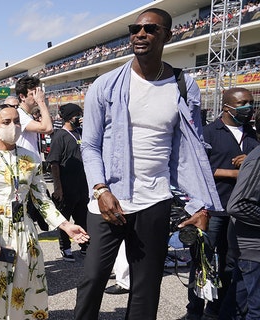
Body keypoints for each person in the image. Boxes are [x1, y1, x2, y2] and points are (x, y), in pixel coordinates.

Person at [74, 8, 222, 319]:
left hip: (154, 200)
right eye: (136, 28)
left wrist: (198, 203)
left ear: (168, 35)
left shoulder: (184, 86)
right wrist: (100, 189)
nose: (141, 34)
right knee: (92, 280)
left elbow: (188, 151)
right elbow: (89, 144)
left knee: (146, 286)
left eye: (151, 29)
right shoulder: (105, 84)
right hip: (108, 200)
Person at [0, 104, 88, 319]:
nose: (14, 127)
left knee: (23, 290)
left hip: (24, 234)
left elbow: (41, 200)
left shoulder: (31, 158)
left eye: (17, 121)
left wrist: (66, 225)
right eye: (6, 122)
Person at [186, 87, 259, 319]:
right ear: (227, 106)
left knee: (231, 266)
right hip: (213, 210)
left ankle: (217, 310)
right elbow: (197, 169)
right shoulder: (207, 133)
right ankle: (194, 311)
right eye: (243, 104)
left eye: (251, 103)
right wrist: (235, 173)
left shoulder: (253, 135)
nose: (249, 108)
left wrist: (251, 161)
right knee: (202, 264)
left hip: (241, 214)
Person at [46, 103, 89, 262]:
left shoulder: (80, 132)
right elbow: (54, 163)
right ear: (69, 117)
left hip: (82, 185)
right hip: (66, 185)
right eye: (77, 115)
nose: (79, 117)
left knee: (83, 217)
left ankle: (84, 245)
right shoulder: (60, 136)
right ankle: (66, 248)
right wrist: (58, 188)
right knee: (65, 218)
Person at [14, 77, 53, 232]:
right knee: (22, 218)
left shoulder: (27, 115)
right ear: (22, 96)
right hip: (23, 174)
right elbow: (47, 127)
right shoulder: (19, 115)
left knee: (37, 213)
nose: (37, 96)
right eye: (32, 93)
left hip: (32, 172)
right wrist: (42, 103)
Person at [226, 144, 260, 320]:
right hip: (253, 251)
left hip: (249, 249)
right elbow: (238, 205)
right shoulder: (258, 160)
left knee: (236, 306)